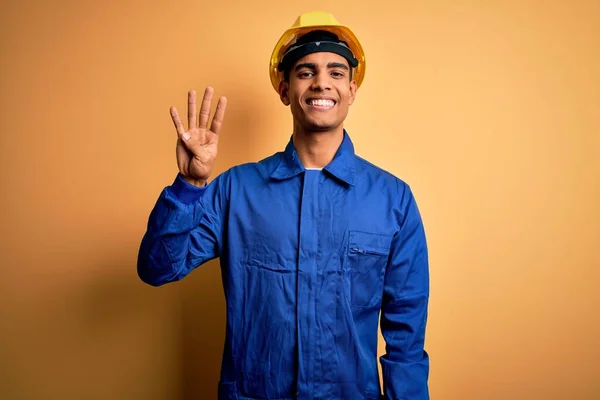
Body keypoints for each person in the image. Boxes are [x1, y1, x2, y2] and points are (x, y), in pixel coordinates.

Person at [138, 11, 430, 400]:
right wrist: (191, 184)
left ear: (352, 89)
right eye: (306, 72)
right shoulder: (236, 190)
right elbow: (158, 267)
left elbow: (406, 339)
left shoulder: (393, 200)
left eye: (336, 72)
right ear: (285, 89)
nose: (322, 82)